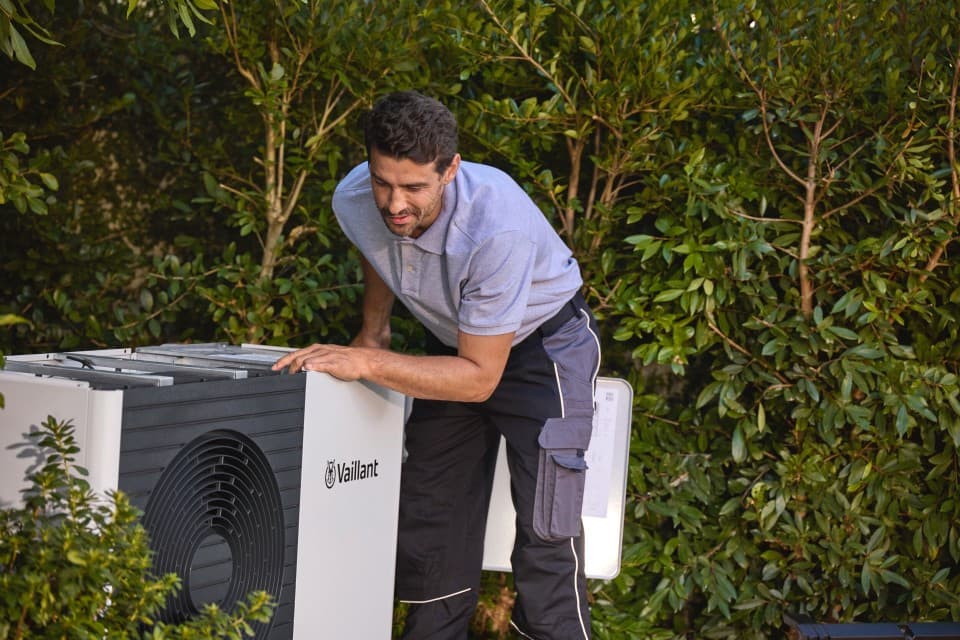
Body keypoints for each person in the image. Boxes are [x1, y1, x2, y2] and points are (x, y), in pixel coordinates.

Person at [273, 90, 600, 640]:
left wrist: (367, 363)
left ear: (450, 169)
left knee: (546, 534)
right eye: (384, 181)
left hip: (542, 350)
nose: (395, 202)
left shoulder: (497, 227)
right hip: (453, 346)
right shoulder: (357, 197)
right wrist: (374, 332)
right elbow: (379, 245)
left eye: (414, 188)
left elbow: (479, 379)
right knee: (432, 523)